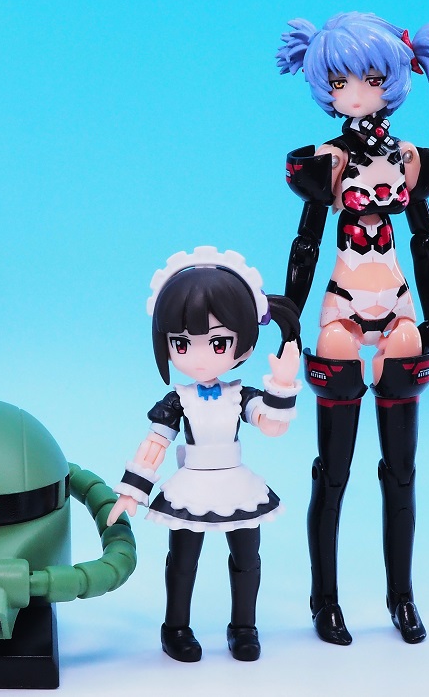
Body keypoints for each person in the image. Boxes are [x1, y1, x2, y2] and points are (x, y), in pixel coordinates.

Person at [276, 12, 429, 645]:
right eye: (341, 81)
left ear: (395, 79)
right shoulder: (325, 162)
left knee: (401, 470)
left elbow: (426, 240)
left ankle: (402, 596)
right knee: (334, 471)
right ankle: (325, 601)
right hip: (342, 308)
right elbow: (306, 243)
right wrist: (290, 316)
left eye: (372, 79)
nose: (356, 93)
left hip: (398, 305)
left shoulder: (409, 160)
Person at [107, 246, 300, 662]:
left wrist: (283, 385)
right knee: (183, 560)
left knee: (247, 557)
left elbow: (272, 426)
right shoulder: (178, 399)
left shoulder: (239, 394)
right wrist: (133, 491)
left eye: (217, 342)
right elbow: (155, 442)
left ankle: (244, 627)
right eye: (181, 342)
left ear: (241, 342)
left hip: (236, 482)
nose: (198, 356)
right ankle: (175, 628)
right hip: (191, 485)